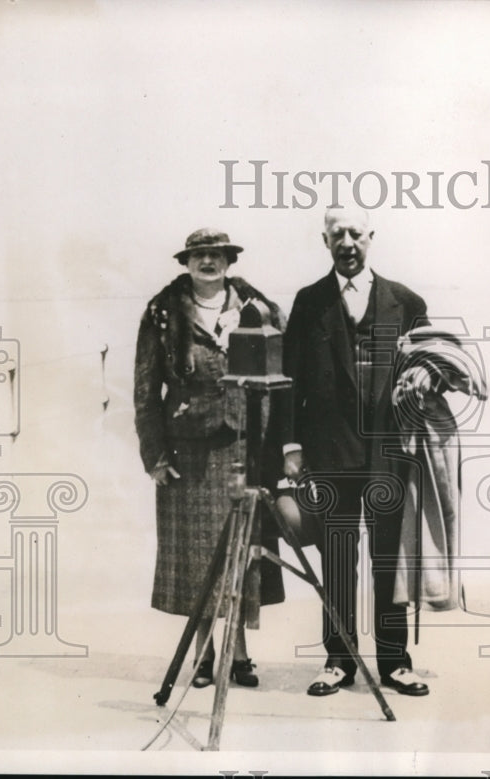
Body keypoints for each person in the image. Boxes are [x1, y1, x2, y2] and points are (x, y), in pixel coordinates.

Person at [283, 205, 432, 697]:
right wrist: (292, 446)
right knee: (339, 557)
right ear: (324, 242)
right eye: (336, 234)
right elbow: (290, 381)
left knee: (389, 560)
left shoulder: (406, 302)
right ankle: (338, 660)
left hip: (388, 453)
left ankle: (395, 662)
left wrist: (428, 376)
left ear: (372, 238)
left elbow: (436, 365)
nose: (347, 242)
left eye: (355, 233)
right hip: (328, 452)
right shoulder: (309, 303)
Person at [134, 228, 288, 690]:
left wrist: (280, 451)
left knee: (241, 553)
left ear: (228, 261)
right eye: (199, 255)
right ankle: (203, 655)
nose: (207, 262)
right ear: (186, 262)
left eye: (215, 255)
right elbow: (145, 390)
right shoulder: (162, 313)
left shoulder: (258, 308)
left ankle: (239, 653)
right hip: (189, 452)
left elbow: (280, 381)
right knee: (198, 560)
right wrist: (155, 455)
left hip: (246, 444)